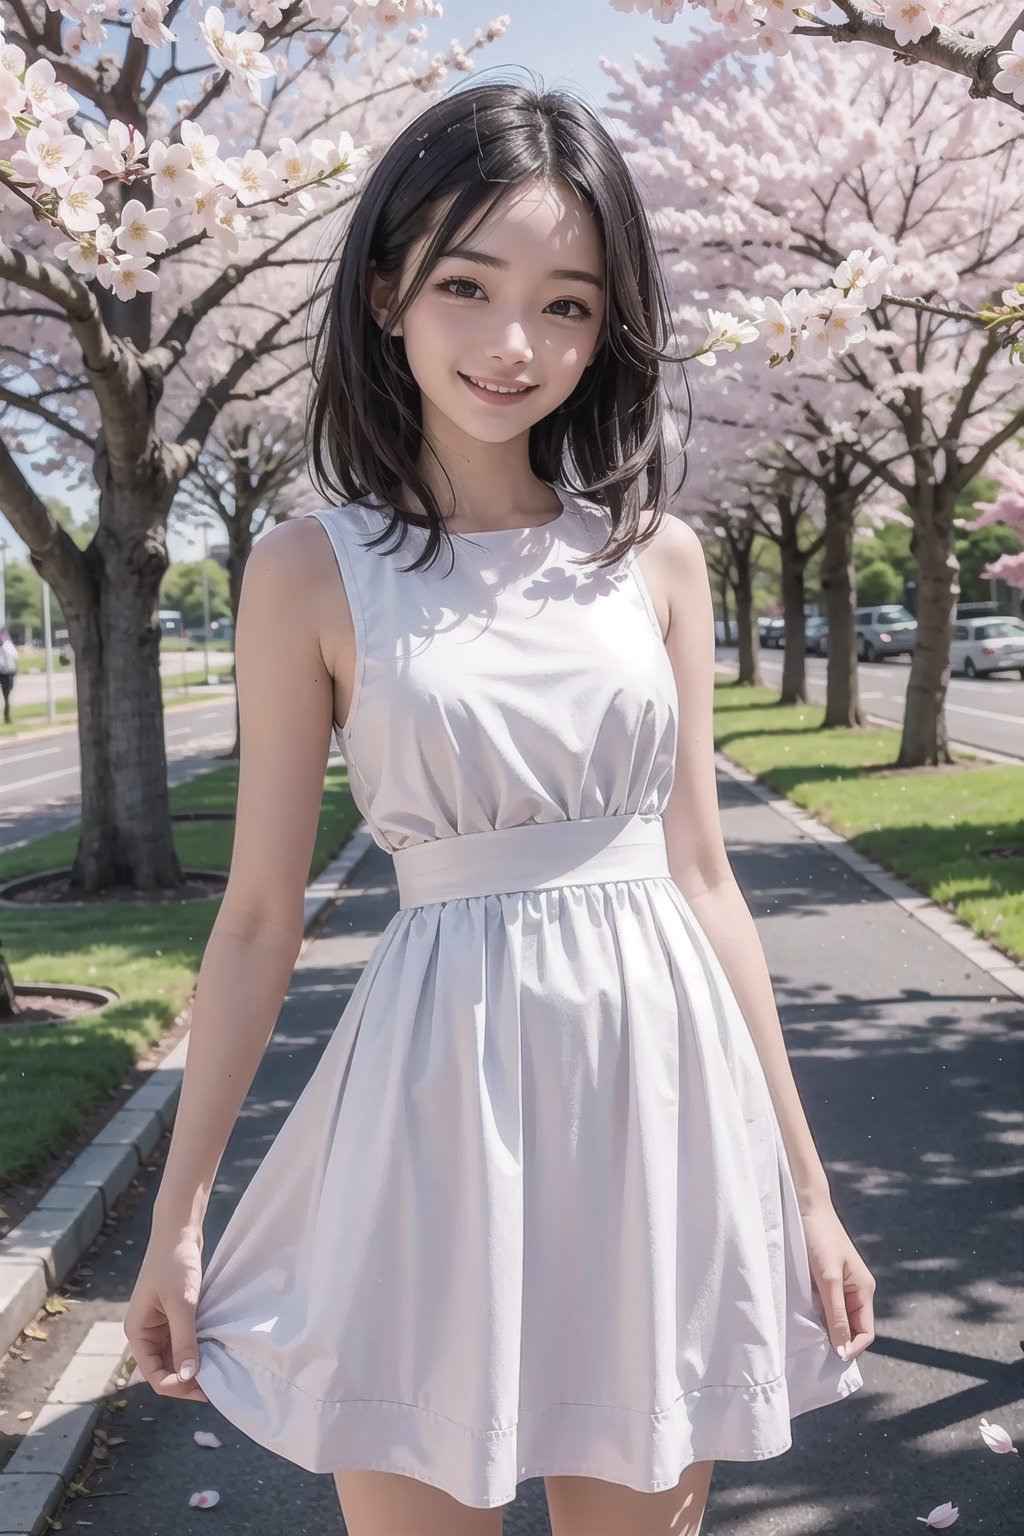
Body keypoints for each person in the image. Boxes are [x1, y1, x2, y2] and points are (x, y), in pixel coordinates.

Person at [125, 79, 874, 1536]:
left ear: (612, 330)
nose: (515, 342)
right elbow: (262, 915)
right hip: (434, 1109)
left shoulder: (658, 558)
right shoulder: (308, 571)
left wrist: (810, 1190)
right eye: (467, 285)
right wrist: (178, 1216)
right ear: (390, 290)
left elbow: (704, 878)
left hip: (659, 1109)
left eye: (569, 304)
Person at [0, 626, 18, 724]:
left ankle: (6, 716)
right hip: (2, 673)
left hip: (8, 674)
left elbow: (15, 657)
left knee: (7, 696)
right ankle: (6, 716)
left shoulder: (8, 646)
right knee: (6, 696)